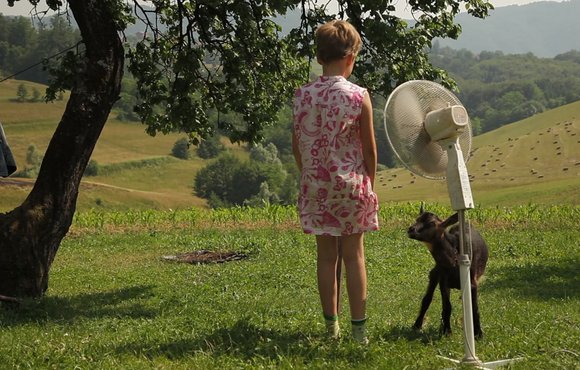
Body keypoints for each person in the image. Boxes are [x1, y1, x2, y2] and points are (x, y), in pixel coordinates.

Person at [292, 20, 379, 344]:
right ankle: (359, 333)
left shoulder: (302, 95)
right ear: (351, 57)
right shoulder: (358, 96)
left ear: (319, 58)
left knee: (326, 257)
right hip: (351, 186)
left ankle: (332, 328)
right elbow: (369, 149)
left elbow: (297, 144)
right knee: (354, 255)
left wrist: (310, 173)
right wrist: (369, 181)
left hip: (316, 185)